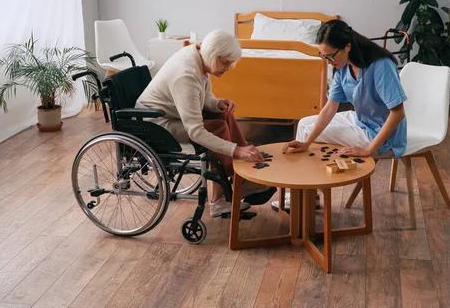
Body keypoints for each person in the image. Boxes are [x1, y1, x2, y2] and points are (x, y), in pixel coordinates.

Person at [135, 29, 272, 217]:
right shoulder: (186, 75)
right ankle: (221, 197)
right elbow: (196, 132)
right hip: (157, 124)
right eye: (225, 63)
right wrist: (235, 149)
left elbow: (203, 95)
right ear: (212, 55)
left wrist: (216, 103)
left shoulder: (199, 55)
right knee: (216, 128)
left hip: (172, 113)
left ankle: (241, 177)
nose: (228, 68)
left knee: (225, 115)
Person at [274, 19, 408, 210]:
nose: (328, 62)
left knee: (307, 131)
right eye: (323, 56)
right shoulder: (343, 66)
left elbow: (398, 113)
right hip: (361, 119)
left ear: (347, 47)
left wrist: (369, 149)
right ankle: (308, 194)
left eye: (330, 56)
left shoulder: (381, 65)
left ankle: (305, 197)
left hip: (381, 134)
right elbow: (330, 107)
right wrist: (307, 143)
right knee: (304, 125)